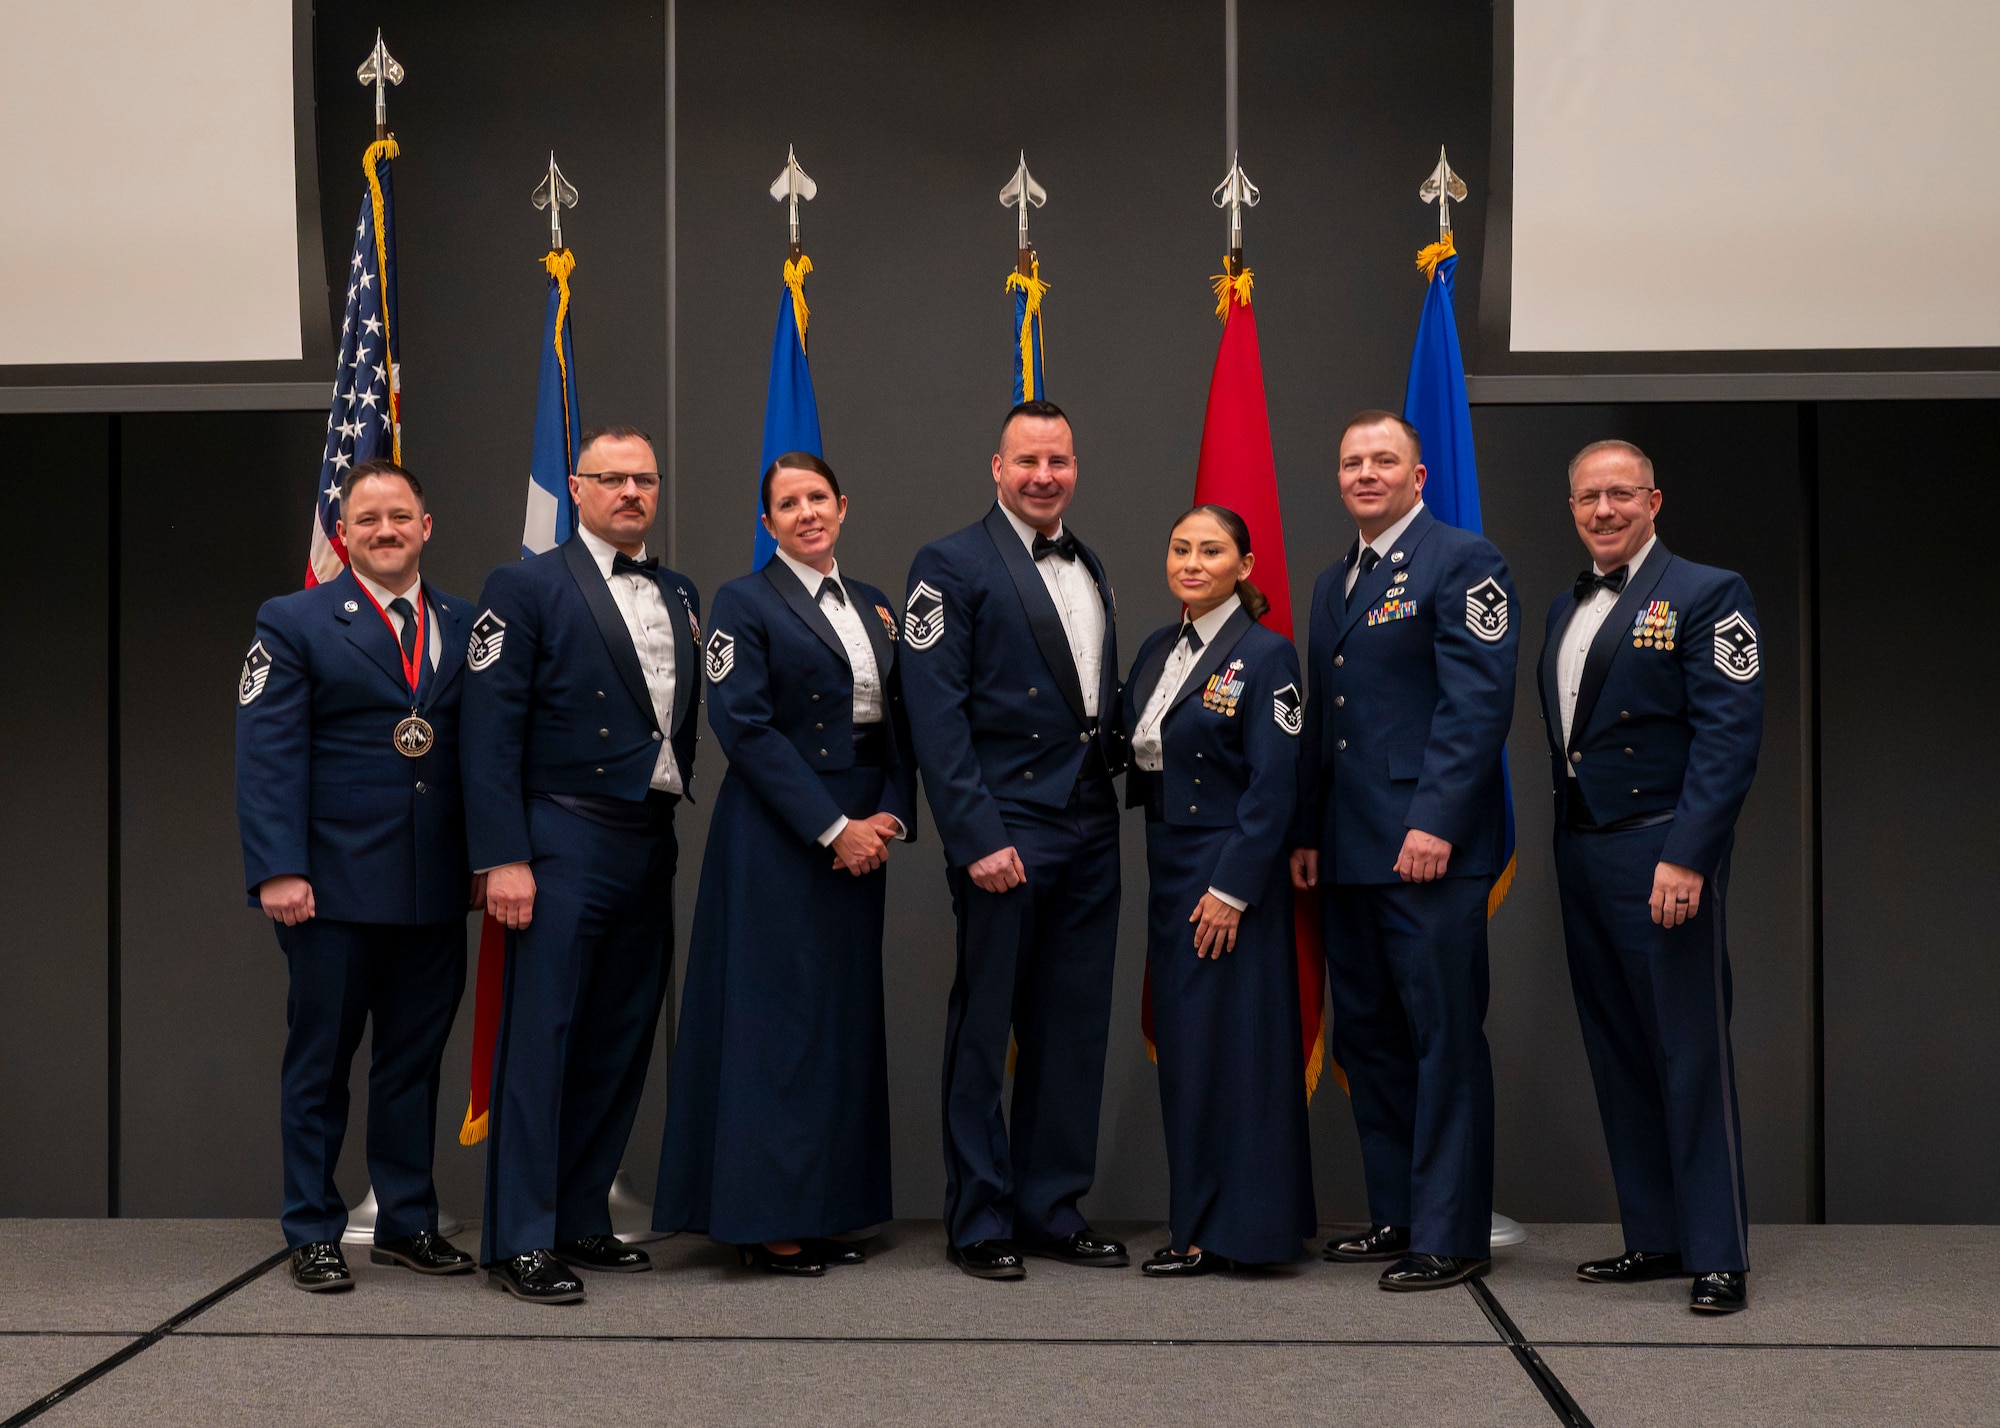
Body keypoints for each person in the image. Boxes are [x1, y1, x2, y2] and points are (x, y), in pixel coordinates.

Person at [653, 453, 916, 1275]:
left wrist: (890, 818)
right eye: (786, 504)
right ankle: (765, 1219)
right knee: (777, 1028)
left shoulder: (877, 605)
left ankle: (830, 1205)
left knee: (838, 1025)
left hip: (863, 837)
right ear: (766, 523)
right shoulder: (743, 602)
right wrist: (834, 826)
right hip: (780, 834)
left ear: (844, 505)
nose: (806, 513)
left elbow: (901, 723)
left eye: (817, 499)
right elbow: (748, 729)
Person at [460, 425, 701, 1304]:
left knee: (619, 1036)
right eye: (613, 479)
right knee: (543, 1041)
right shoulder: (523, 586)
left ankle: (577, 1215)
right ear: (577, 485)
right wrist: (504, 858)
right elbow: (487, 732)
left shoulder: (678, 590)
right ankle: (519, 1239)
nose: (632, 492)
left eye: (645, 478)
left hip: (649, 836)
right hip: (560, 838)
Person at [235, 458, 479, 1292]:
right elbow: (267, 755)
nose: (385, 531)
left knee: (412, 1064)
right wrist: (278, 869)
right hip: (329, 890)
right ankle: (312, 1227)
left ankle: (407, 1220)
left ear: (425, 525)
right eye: (368, 519)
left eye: (399, 517)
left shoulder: (466, 621)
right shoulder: (295, 620)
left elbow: (482, 756)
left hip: (435, 886)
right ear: (344, 533)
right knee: (322, 1064)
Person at [1291, 410, 1518, 1291]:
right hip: (1350, 851)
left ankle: (1452, 1234)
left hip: (1430, 849)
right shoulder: (1332, 581)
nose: (1366, 474)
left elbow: (1476, 706)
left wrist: (1436, 821)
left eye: (1384, 460)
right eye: (1352, 462)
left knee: (1443, 1040)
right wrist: (1309, 829)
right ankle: (1397, 1214)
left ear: (1418, 477)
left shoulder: (1464, 562)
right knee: (1375, 1040)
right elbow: (1328, 720)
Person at [902, 398, 1129, 1280]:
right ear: (995, 468)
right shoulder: (948, 563)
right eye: (1027, 461)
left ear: (1076, 468)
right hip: (1006, 827)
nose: (1044, 476)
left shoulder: (1093, 561)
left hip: (1088, 823)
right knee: (986, 1026)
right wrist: (974, 835)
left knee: (1072, 1027)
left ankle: (1051, 1208)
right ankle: (981, 1218)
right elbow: (936, 713)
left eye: (1059, 462)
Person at [1539, 440, 1763, 1315]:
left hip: (1661, 850)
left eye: (1621, 495)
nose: (1604, 511)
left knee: (1687, 1048)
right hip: (1583, 849)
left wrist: (1689, 854)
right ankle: (1656, 1235)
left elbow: (1728, 738)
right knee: (1619, 1048)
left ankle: (1718, 1252)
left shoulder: (1710, 592)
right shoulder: (1566, 606)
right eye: (1589, 497)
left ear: (1654, 500)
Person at [1121, 505, 1316, 1277]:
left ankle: (1237, 1231)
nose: (1192, 562)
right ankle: (1200, 1216)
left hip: (1229, 873)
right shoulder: (1153, 650)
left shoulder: (1267, 656)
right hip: (1168, 867)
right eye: (1180, 548)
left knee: (1237, 1052)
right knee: (1191, 1052)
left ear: (1246, 564)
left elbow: (1276, 784)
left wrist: (1233, 889)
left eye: (1211, 550)